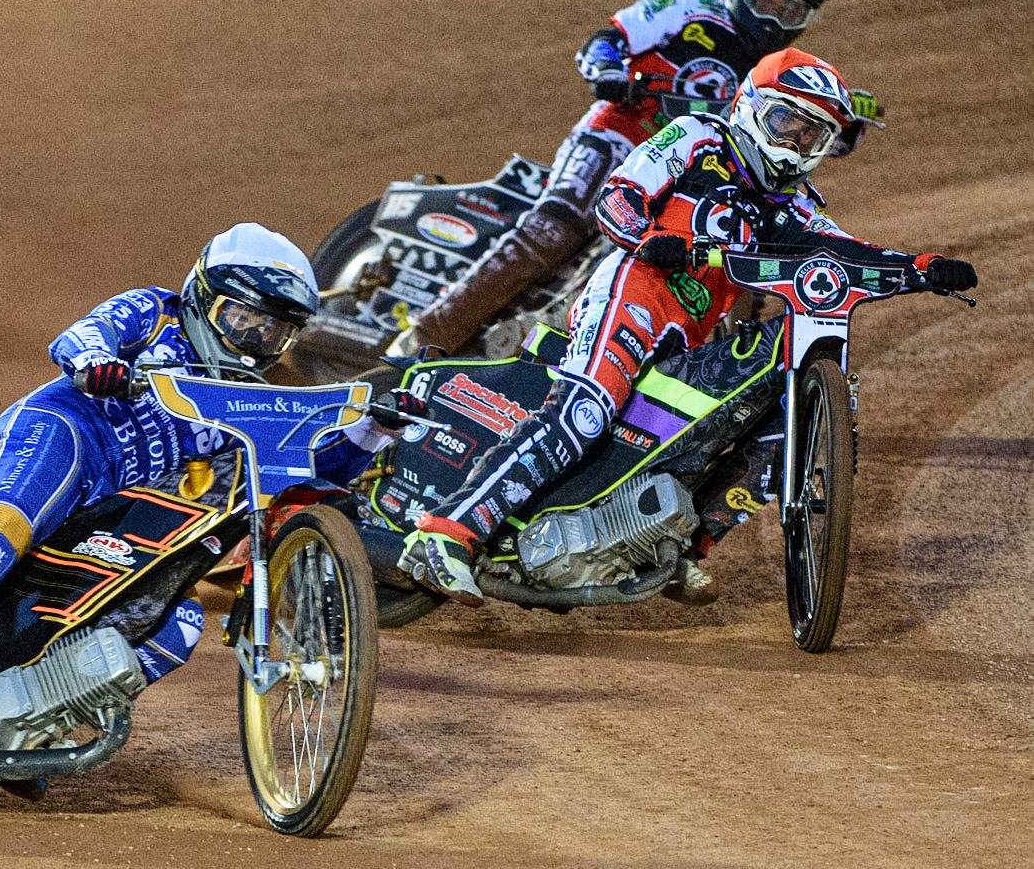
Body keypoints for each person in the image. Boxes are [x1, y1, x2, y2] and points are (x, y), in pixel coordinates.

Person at [0, 223, 421, 755]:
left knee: (174, 619)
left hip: (114, 505)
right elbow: (79, 337)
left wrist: (372, 431)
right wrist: (98, 363)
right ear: (205, 297)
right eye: (244, 320)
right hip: (64, 432)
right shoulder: (155, 310)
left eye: (273, 333)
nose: (255, 343)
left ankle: (22, 721)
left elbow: (306, 475)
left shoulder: (246, 399)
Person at [398, 48, 976, 605]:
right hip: (634, 292)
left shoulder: (792, 207)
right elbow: (619, 195)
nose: (795, 144)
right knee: (584, 413)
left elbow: (849, 254)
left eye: (812, 136)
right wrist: (652, 239)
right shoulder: (700, 137)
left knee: (745, 418)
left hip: (690, 331)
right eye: (785, 122)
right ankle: (447, 534)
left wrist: (921, 268)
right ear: (750, 103)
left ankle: (683, 550)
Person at [408, 0, 878, 355]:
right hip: (618, 135)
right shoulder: (685, 12)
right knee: (552, 231)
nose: (772, 20)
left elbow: (797, 138)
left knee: (732, 270)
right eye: (764, 1)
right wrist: (608, 73)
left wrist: (842, 131)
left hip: (690, 173)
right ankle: (425, 337)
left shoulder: (780, 73)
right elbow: (605, 40)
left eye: (790, 11)